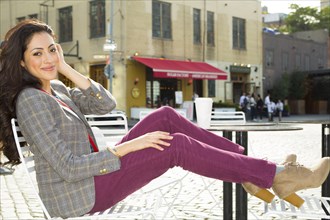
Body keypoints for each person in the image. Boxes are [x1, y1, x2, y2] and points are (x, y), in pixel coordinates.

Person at [0, 20, 329, 219]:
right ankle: (275, 175)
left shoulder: (55, 87)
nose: (47, 59)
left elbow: (105, 104)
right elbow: (69, 167)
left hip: (92, 178)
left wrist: (66, 69)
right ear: (22, 60)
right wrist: (128, 149)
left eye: (52, 49)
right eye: (37, 54)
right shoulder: (31, 100)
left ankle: (253, 170)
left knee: (166, 116)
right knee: (176, 147)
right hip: (79, 194)